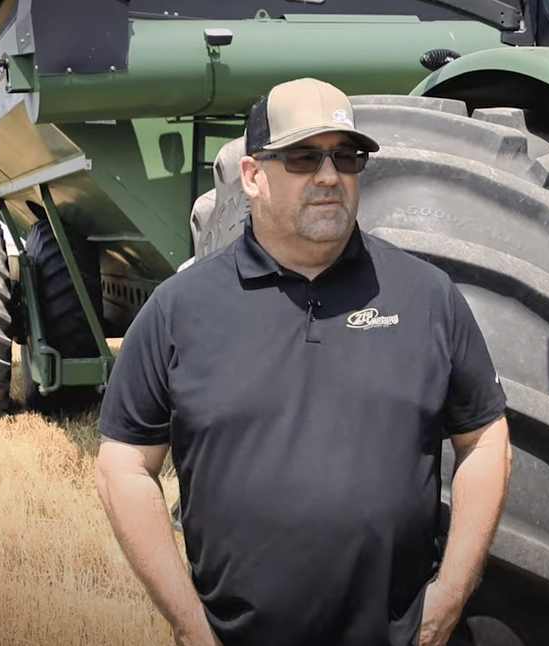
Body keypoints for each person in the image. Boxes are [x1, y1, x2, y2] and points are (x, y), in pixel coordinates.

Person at [93, 77, 511, 646]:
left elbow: (486, 439)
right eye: (303, 156)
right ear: (252, 175)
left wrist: (451, 595)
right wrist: (190, 626)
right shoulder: (179, 310)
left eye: (347, 155)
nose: (328, 175)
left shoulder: (426, 296)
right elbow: (123, 465)